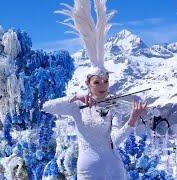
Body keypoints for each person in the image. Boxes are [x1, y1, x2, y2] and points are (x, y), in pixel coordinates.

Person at [44, 0, 147, 179]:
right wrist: (75, 97)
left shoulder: (113, 104)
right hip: (88, 169)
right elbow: (47, 107)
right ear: (88, 84)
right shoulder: (77, 105)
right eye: (97, 82)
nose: (103, 86)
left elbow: (115, 140)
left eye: (106, 81)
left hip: (113, 167)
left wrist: (132, 119)